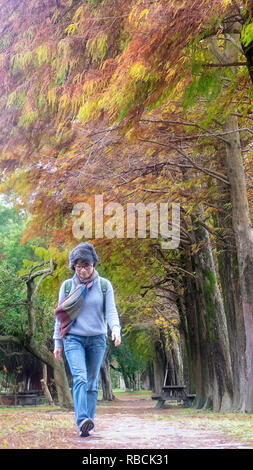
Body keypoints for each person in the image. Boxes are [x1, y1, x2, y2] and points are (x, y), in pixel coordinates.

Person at [53, 242, 121, 437]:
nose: (83, 270)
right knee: (80, 378)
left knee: (92, 383)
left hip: (97, 340)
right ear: (73, 266)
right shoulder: (67, 287)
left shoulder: (104, 286)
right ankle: (82, 419)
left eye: (87, 265)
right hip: (73, 339)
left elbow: (111, 310)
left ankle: (88, 425)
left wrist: (115, 328)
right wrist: (57, 342)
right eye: (79, 266)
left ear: (94, 265)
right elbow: (60, 316)